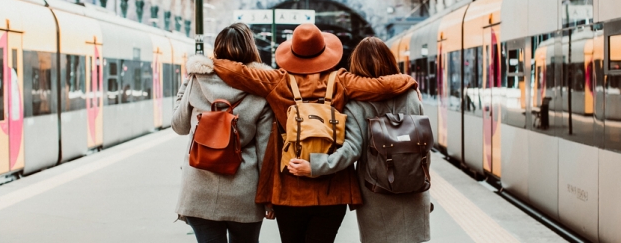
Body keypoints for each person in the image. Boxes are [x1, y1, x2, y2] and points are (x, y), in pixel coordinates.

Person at [204, 23, 419, 243]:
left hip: (289, 186)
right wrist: (406, 80)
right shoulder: (342, 81)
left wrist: (208, 62)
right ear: (325, 51)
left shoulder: (277, 81)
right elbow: (379, 86)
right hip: (332, 188)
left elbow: (236, 72)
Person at [288, 37, 431, 243]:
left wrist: (314, 166)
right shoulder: (410, 94)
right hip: (414, 186)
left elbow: (352, 150)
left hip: (377, 191)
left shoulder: (356, 104)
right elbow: (423, 143)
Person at [172, 23, 274, 243]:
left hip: (199, 189)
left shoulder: (198, 79)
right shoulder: (261, 87)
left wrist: (186, 86)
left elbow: (179, 125)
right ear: (251, 49)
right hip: (244, 193)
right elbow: (265, 151)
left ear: (216, 49)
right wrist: (268, 198)